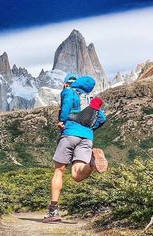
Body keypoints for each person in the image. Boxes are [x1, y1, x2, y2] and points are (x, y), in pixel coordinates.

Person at [43, 73, 107, 223]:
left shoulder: (69, 91)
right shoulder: (90, 101)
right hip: (87, 138)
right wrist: (89, 129)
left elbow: (65, 107)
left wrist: (62, 121)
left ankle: (53, 212)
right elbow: (102, 118)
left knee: (59, 171)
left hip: (70, 134)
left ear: (67, 83)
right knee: (77, 175)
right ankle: (92, 164)